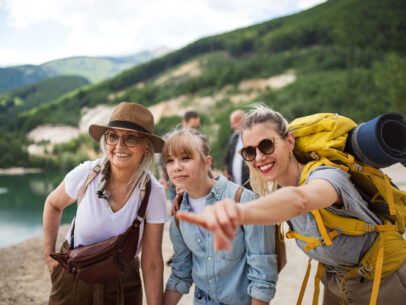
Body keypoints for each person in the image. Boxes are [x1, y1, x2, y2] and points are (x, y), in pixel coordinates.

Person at [178, 105, 406, 305]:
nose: (258, 157)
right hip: (338, 281)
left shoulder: (325, 176)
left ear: (289, 141)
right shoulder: (278, 189)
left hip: (386, 280)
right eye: (249, 151)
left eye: (266, 145)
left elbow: (301, 200)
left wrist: (240, 212)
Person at [43, 102, 168, 305]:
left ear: (146, 147)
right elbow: (53, 204)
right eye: (113, 136)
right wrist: (49, 256)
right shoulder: (86, 174)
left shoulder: (154, 192)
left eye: (130, 138)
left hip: (123, 286)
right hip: (74, 279)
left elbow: (152, 263)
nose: (119, 146)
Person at [161, 128, 277, 305]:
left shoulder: (243, 200)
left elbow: (263, 274)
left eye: (186, 158)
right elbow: (181, 272)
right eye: (170, 161)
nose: (177, 167)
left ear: (207, 162)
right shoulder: (179, 215)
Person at [158, 110, 200, 203]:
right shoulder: (169, 139)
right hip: (174, 187)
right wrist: (163, 178)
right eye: (193, 127)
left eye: (197, 127)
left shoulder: (201, 139)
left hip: (196, 187)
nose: (195, 130)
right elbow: (161, 162)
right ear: (184, 123)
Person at [223, 110, 251, 190]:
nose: (232, 126)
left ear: (242, 121)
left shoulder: (252, 137)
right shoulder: (234, 137)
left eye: (234, 123)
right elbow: (226, 158)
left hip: (251, 187)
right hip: (235, 187)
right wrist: (226, 172)